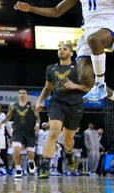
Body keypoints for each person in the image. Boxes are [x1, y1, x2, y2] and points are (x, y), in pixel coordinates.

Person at [34, 44, 87, 178]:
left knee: (68, 140)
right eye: (59, 49)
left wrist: (74, 86)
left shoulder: (79, 67)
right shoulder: (51, 68)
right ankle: (45, 166)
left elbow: (89, 87)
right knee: (53, 132)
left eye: (65, 49)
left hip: (75, 105)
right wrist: (40, 101)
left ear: (71, 53)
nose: (61, 51)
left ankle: (69, 154)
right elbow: (47, 88)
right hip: (57, 103)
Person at [2, 89, 39, 177]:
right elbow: (8, 117)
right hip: (18, 131)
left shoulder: (32, 105)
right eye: (20, 93)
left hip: (30, 131)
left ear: (27, 95)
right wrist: (1, 123)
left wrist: (37, 124)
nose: (22, 95)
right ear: (18, 95)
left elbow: (37, 117)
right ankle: (18, 169)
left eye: (24, 93)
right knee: (16, 151)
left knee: (30, 152)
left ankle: (31, 161)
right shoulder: (12, 105)